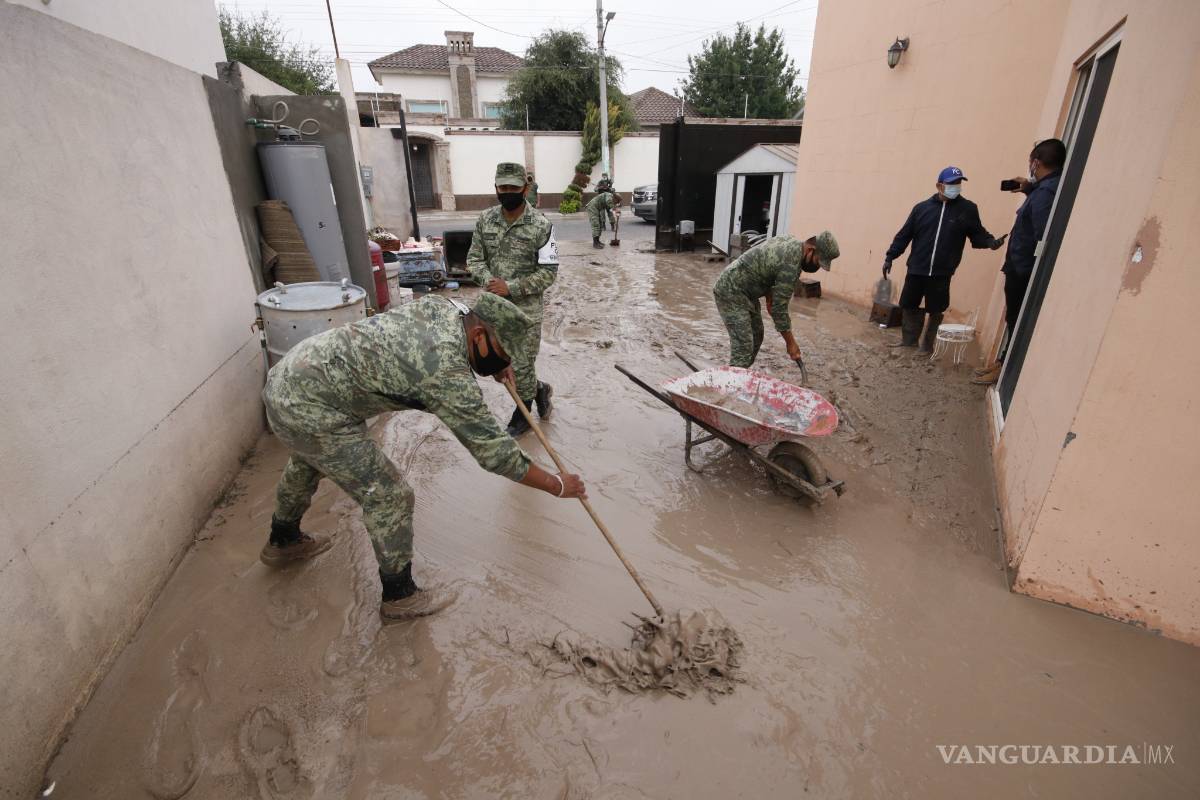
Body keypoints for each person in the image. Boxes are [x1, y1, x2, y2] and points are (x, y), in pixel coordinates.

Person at [260, 292, 586, 620]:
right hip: (310, 406)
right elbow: (494, 453)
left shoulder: (448, 309)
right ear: (478, 336)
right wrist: (556, 485)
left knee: (309, 458)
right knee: (390, 496)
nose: (505, 363)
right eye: (503, 354)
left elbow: (470, 345)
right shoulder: (445, 372)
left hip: (294, 375)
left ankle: (283, 541)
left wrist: (498, 365)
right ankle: (399, 596)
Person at [467, 162, 559, 436]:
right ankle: (540, 389)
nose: (507, 192)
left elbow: (549, 272)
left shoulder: (542, 226)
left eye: (513, 187)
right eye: (503, 187)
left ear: (525, 189)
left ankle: (523, 414)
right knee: (494, 361)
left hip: (525, 312)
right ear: (496, 188)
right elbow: (474, 260)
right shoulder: (485, 220)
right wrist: (489, 282)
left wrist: (512, 287)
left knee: (521, 363)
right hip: (493, 309)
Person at [883, 166, 1007, 352]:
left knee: (936, 308)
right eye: (951, 183)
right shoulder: (921, 209)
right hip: (917, 267)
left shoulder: (967, 209)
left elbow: (978, 234)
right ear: (939, 186)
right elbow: (904, 235)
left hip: (942, 271)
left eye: (958, 183)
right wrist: (890, 256)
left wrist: (990, 242)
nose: (956, 186)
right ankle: (909, 342)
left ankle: (927, 347)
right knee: (909, 304)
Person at [973, 138, 1067, 385]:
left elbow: (1041, 236)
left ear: (1036, 163)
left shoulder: (1046, 192)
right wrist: (1028, 189)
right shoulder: (1045, 188)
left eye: (1030, 162)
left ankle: (1005, 370)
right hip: (1020, 267)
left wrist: (1023, 268)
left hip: (1023, 271)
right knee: (1013, 320)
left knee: (1017, 321)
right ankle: (1003, 361)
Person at [713, 232, 840, 368]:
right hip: (730, 290)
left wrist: (769, 295)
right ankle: (734, 378)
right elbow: (779, 310)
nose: (817, 267)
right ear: (810, 250)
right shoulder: (791, 266)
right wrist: (791, 343)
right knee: (743, 347)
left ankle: (742, 373)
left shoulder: (790, 240)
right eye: (817, 262)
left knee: (757, 335)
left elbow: (768, 264)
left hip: (746, 292)